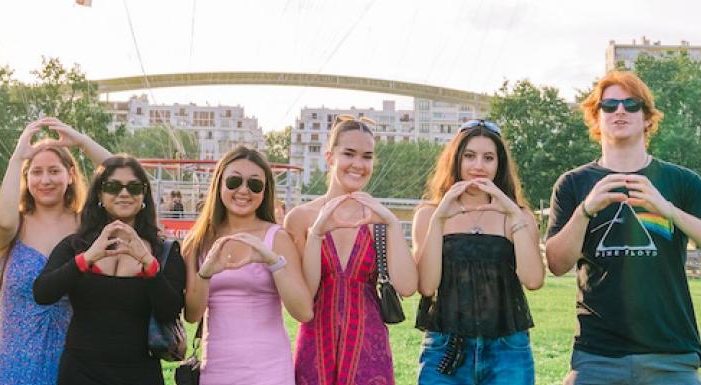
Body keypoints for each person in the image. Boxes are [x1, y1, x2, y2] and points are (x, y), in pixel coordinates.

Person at [544, 71, 701, 385]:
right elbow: (556, 264)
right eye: (608, 106)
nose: (620, 111)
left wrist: (668, 210)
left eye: (631, 104)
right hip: (597, 355)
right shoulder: (572, 184)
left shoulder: (681, 181)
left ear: (648, 119)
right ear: (596, 119)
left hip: (671, 355)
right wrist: (586, 209)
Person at [284, 116, 418, 385]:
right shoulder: (301, 218)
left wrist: (390, 222)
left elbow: (407, 287)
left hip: (369, 348)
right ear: (329, 157)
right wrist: (317, 234)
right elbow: (304, 297)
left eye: (367, 157)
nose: (358, 164)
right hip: (315, 346)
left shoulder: (379, 218)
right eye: (349, 154)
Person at [32, 156, 186, 385]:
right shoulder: (75, 246)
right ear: (99, 195)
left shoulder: (163, 251)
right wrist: (86, 259)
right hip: (80, 372)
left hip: (140, 372)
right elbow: (42, 293)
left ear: (144, 196)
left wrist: (148, 264)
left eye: (134, 187)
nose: (124, 194)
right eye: (113, 187)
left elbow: (170, 310)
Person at [411, 119, 544, 384]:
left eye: (488, 158)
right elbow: (427, 286)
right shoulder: (429, 214)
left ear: (499, 164)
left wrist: (512, 212)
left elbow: (533, 280)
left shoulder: (517, 215)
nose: (478, 166)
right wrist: (440, 218)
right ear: (456, 159)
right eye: (469, 156)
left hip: (507, 350)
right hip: (446, 348)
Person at [0, 117, 111, 385]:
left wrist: (81, 141)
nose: (45, 180)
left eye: (54, 171)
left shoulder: (87, 228)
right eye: (36, 171)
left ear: (70, 175)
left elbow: (125, 177)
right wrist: (18, 156)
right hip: (13, 367)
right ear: (26, 177)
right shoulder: (13, 226)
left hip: (74, 367)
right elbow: (0, 221)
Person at [182, 146, 312, 385]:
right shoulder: (198, 241)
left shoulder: (277, 237)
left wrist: (272, 262)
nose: (243, 190)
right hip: (217, 370)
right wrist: (205, 274)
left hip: (270, 371)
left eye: (255, 185)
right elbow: (192, 315)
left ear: (265, 191)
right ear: (219, 184)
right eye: (234, 181)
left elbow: (303, 311)